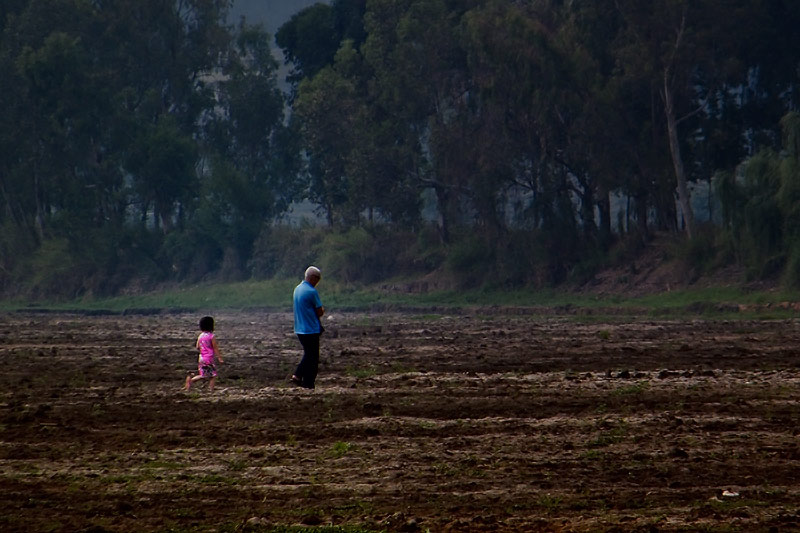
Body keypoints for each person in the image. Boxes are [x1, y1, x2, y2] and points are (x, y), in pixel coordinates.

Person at [290, 266, 325, 389]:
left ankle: (302, 378)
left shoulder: (297, 289)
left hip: (300, 328)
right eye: (317, 280)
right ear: (313, 278)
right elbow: (319, 311)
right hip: (311, 329)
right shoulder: (311, 292)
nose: (317, 283)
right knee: (313, 357)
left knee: (309, 354)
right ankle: (305, 380)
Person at [184, 316, 223, 392]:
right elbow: (215, 348)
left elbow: (197, 346)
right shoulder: (211, 336)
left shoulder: (200, 336)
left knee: (204, 374)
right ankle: (211, 390)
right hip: (209, 358)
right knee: (213, 375)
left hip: (201, 358)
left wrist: (203, 350)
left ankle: (191, 381)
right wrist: (219, 358)